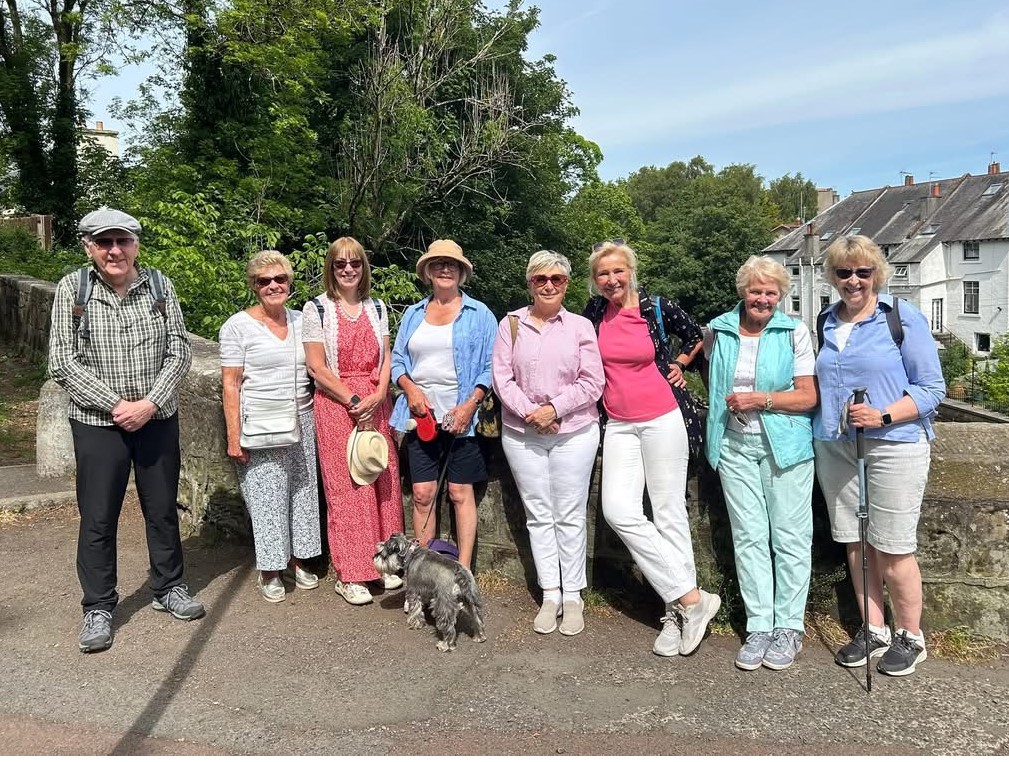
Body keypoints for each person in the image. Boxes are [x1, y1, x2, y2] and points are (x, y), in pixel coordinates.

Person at [48, 207, 205, 654]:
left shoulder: (159, 285)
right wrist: (117, 406)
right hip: (99, 423)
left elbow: (179, 349)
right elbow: (61, 360)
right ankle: (98, 606)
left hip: (157, 418)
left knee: (162, 509)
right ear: (89, 247)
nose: (114, 250)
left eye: (122, 241)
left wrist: (150, 403)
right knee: (99, 517)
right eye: (104, 242)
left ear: (136, 245)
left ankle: (168, 587)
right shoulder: (73, 289)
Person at [814, 234, 945, 677]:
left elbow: (932, 389)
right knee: (856, 541)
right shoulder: (826, 320)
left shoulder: (900, 317)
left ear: (876, 274)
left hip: (895, 444)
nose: (853, 280)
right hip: (838, 445)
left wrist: (882, 415)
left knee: (892, 546)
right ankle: (874, 628)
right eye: (844, 272)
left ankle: (911, 636)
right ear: (833, 276)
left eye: (862, 272)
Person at [583, 239, 720, 657]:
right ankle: (692, 599)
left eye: (618, 271)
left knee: (668, 512)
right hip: (619, 424)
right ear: (595, 280)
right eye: (603, 273)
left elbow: (697, 335)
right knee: (618, 510)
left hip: (663, 418)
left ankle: (674, 614)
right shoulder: (594, 313)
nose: (611, 279)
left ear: (631, 271)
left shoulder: (655, 306)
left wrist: (680, 363)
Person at [702, 256, 817, 671]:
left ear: (780, 295)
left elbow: (808, 396)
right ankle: (759, 626)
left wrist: (761, 400)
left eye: (771, 292)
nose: (763, 299)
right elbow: (708, 377)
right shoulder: (719, 329)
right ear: (743, 292)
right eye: (756, 291)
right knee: (748, 537)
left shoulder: (794, 331)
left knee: (790, 537)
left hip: (784, 446)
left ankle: (789, 627)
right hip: (734, 446)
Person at [492, 250, 605, 636]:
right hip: (522, 433)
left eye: (557, 278)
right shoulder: (510, 324)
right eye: (540, 279)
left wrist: (554, 409)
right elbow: (502, 378)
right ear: (530, 283)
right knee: (538, 514)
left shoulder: (580, 327)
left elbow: (593, 381)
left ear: (567, 284)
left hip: (574, 431)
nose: (549, 285)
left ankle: (573, 596)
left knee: (570, 514)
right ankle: (550, 594)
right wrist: (533, 413)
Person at [302, 237, 403, 606]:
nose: (348, 269)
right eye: (340, 263)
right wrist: (354, 400)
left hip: (376, 401)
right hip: (337, 405)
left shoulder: (376, 307)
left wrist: (380, 392)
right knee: (348, 488)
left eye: (355, 263)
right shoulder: (316, 309)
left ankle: (386, 564)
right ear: (331, 267)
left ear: (364, 267)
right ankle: (352, 573)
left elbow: (387, 356)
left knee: (383, 480)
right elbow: (317, 367)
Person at [219, 251, 322, 604]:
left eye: (280, 279)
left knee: (303, 495)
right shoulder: (237, 326)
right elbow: (231, 383)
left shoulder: (303, 321)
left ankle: (298, 559)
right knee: (267, 498)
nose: (273, 286)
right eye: (264, 281)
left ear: (290, 283)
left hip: (302, 419)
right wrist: (233, 437)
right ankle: (271, 569)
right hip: (261, 423)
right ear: (254, 286)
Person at [390, 239, 497, 570]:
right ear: (428, 272)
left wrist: (470, 405)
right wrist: (410, 389)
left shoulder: (480, 314)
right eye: (438, 264)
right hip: (421, 417)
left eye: (452, 264)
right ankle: (425, 572)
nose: (445, 269)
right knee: (422, 494)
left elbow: (492, 365)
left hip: (464, 418)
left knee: (460, 492)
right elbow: (397, 361)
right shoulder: (413, 314)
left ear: (461, 272)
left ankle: (462, 573)